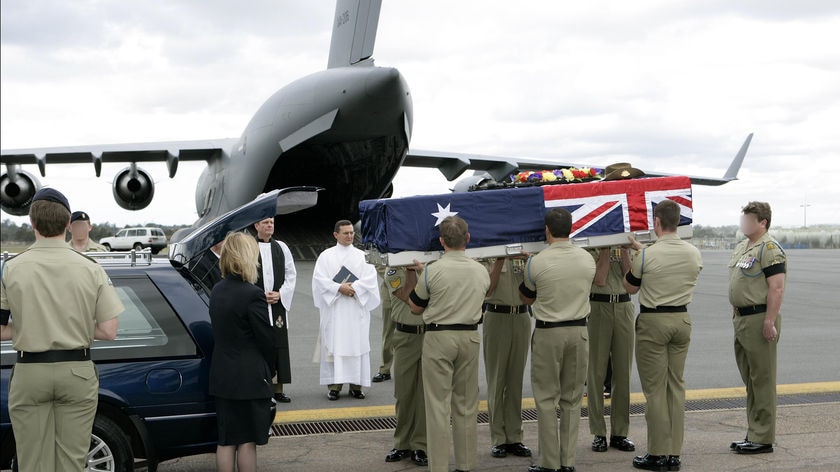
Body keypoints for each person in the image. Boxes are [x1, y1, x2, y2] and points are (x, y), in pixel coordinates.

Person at [1, 188, 122, 472]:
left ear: (32, 224)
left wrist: (31, 325)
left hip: (30, 371)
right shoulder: (91, 267)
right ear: (69, 225)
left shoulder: (10, 269)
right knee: (73, 462)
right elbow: (109, 330)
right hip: (76, 371)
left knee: (32, 462)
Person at [623, 199, 703, 472]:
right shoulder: (694, 253)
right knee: (676, 387)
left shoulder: (647, 255)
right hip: (681, 320)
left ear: (656, 222)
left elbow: (631, 288)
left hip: (654, 322)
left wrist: (636, 254)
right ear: (678, 221)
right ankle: (674, 453)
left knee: (655, 390)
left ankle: (657, 453)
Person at [408, 216, 489, 472]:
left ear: (442, 241)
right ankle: (465, 465)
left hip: (439, 337)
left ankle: (439, 466)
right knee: (466, 406)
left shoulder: (433, 270)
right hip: (469, 337)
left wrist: (422, 276)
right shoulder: (480, 270)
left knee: (437, 406)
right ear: (468, 238)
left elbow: (415, 306)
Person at [519, 208, 595, 472]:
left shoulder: (537, 261)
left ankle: (549, 462)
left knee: (546, 399)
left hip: (549, 332)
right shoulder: (587, 260)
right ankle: (568, 461)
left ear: (547, 230)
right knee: (572, 400)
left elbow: (526, 298)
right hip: (579, 332)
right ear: (571, 229)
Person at [208, 232, 276, 472]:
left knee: (226, 440)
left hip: (222, 375)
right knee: (247, 441)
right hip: (248, 379)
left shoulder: (217, 290)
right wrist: (272, 369)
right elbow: (266, 339)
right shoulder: (252, 294)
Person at [729, 202, 786, 455]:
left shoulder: (770, 248)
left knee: (762, 380)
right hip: (742, 320)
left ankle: (763, 438)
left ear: (762, 222)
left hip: (759, 318)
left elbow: (776, 287)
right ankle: (753, 432)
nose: (744, 223)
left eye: (749, 219)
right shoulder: (744, 247)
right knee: (750, 381)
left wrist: (769, 321)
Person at [312, 220, 380, 400]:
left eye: (351, 233)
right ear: (336, 235)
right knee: (335, 346)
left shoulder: (362, 256)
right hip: (335, 309)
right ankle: (334, 386)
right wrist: (338, 288)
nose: (350, 236)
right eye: (346, 233)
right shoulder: (326, 256)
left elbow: (370, 279)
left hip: (355, 308)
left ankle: (356, 386)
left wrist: (354, 288)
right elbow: (319, 280)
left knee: (357, 345)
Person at [587, 246, 636, 454]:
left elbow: (631, 280)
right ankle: (598, 432)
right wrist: (606, 248)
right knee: (596, 373)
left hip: (623, 306)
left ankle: (620, 432)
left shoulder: (628, 247)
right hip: (599, 306)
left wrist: (624, 250)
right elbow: (599, 278)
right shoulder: (591, 248)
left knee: (623, 373)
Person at [483, 256, 532, 459]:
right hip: (496, 315)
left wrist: (529, 262)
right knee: (496, 380)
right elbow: (488, 289)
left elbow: (534, 286)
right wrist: (500, 260)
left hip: (521, 316)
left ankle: (514, 436)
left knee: (515, 380)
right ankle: (498, 438)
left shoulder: (524, 252)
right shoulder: (489, 254)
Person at [383, 266, 428, 466]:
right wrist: (412, 270)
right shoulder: (393, 271)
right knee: (404, 392)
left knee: (424, 394)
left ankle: (420, 445)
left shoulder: (430, 268)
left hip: (429, 335)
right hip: (405, 336)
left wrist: (422, 270)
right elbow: (410, 296)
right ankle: (401, 443)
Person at [253, 217, 297, 404]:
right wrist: (259, 296)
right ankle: (261, 387)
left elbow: (291, 274)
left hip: (277, 304)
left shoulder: (282, 247)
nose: (270, 225)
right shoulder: (250, 247)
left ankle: (278, 389)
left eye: (271, 222)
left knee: (278, 345)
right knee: (259, 345)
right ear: (256, 226)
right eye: (265, 222)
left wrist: (280, 294)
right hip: (258, 305)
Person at [372, 269, 394, 383]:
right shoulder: (386, 249)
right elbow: (379, 263)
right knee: (388, 332)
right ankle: (385, 369)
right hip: (391, 290)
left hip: (414, 288)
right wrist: (394, 274)